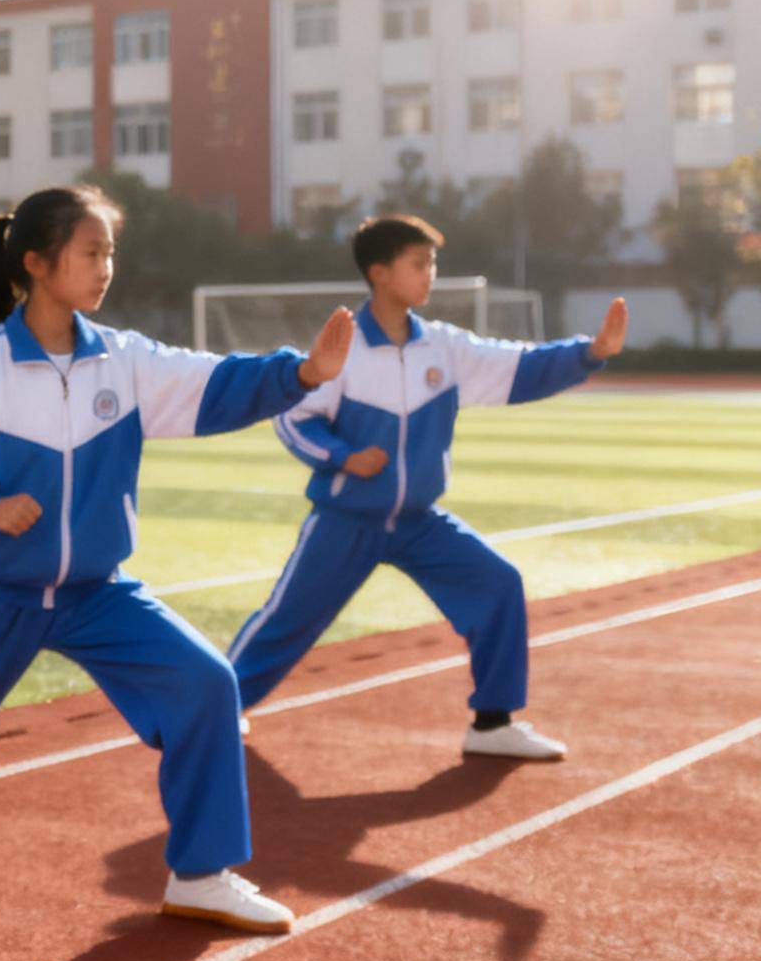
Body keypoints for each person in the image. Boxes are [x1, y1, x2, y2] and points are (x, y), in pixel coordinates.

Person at [0, 185, 355, 938]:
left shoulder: (125, 358)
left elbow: (213, 383)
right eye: (91, 251)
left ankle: (200, 873)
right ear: (38, 263)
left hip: (97, 592)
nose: (105, 266)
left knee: (207, 684)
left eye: (109, 251)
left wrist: (301, 374)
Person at [228, 215, 628, 760]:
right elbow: (293, 419)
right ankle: (220, 710)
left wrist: (590, 352)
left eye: (432, 263)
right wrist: (345, 457)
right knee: (285, 621)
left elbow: (520, 367)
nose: (430, 274)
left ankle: (492, 724)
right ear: (380, 273)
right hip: (346, 520)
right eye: (418, 263)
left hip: (420, 522)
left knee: (498, 584)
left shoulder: (444, 347)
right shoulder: (341, 347)